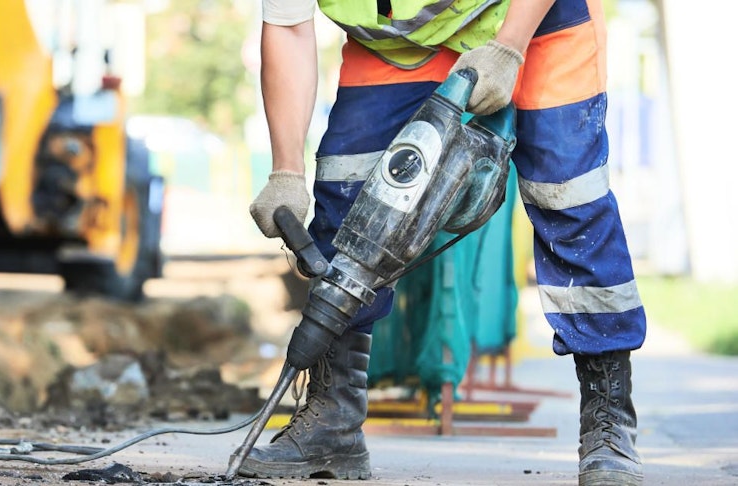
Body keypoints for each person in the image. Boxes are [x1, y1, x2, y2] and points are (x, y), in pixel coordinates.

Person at [243, 0, 647, 485]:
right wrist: (285, 170)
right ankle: (332, 424)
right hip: (399, 47)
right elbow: (288, 30)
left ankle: (609, 428)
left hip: (532, 22)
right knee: (347, 200)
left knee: (568, 196)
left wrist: (511, 46)